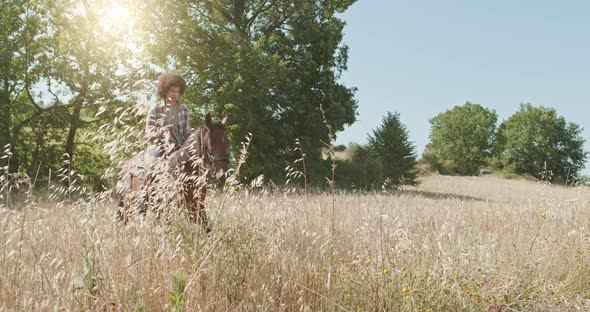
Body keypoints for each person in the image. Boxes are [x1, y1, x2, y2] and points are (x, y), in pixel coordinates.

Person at [145, 72, 191, 164]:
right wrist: (161, 131)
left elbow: (187, 132)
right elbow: (148, 136)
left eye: (178, 91)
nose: (175, 94)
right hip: (160, 147)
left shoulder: (184, 109)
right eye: (172, 91)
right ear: (165, 91)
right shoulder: (155, 109)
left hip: (180, 147)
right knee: (152, 165)